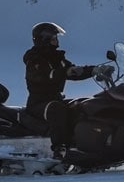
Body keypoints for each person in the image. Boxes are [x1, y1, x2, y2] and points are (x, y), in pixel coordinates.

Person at [23, 21, 106, 160]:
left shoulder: (57, 58)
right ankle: (60, 149)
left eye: (57, 38)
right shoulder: (34, 60)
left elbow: (73, 71)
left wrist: (95, 70)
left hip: (55, 99)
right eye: (54, 38)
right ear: (44, 39)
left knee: (81, 105)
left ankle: (85, 144)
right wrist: (65, 71)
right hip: (38, 103)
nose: (57, 41)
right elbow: (46, 75)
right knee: (57, 109)